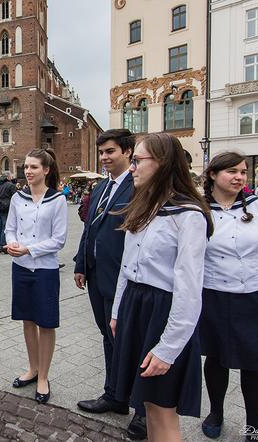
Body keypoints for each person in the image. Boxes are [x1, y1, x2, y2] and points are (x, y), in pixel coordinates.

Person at [110, 132, 212, 441]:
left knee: (163, 409)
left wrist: (169, 348)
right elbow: (126, 269)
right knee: (148, 406)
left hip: (164, 313)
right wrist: (117, 312)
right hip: (136, 306)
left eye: (138, 161)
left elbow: (189, 288)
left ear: (163, 163)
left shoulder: (188, 215)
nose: (132, 168)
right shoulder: (143, 207)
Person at [200, 152, 258, 441]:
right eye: (232, 171)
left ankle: (254, 426)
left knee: (254, 364)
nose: (240, 176)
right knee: (216, 359)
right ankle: (216, 412)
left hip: (254, 296)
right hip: (214, 296)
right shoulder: (200, 210)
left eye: (243, 171)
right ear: (213, 175)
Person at [73, 129, 146, 439]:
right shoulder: (102, 186)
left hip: (124, 279)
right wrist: (80, 263)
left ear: (128, 152)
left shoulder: (139, 186)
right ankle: (115, 395)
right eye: (101, 152)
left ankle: (143, 411)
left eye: (110, 151)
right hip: (97, 276)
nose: (104, 157)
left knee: (136, 342)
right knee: (108, 336)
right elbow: (90, 226)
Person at [5, 148, 67, 404]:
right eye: (26, 167)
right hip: (21, 268)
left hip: (45, 270)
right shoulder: (18, 198)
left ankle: (44, 376)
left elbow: (59, 240)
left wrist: (29, 248)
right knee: (27, 320)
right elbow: (10, 229)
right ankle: (33, 368)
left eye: (34, 167)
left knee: (46, 323)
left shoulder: (58, 200)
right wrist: (11, 244)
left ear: (46, 170)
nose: (28, 172)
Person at [0, 171, 16, 253]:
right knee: (5, 227)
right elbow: (15, 197)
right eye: (11, 176)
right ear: (7, 177)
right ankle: (3, 245)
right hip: (7, 208)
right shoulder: (10, 185)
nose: (11, 177)